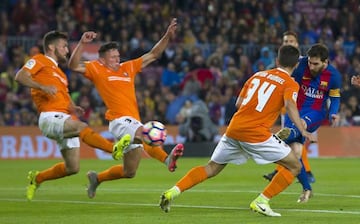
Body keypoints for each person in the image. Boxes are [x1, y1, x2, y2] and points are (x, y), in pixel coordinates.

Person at [159, 45, 316, 217]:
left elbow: (239, 103)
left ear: (277, 61)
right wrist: (302, 130)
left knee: (211, 168)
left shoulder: (258, 75)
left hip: (234, 128)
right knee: (294, 165)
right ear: (295, 65)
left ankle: (172, 192)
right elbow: (290, 105)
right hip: (255, 134)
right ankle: (262, 201)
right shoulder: (290, 83)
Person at [68, 18, 184, 199]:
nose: (117, 59)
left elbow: (153, 54)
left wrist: (167, 36)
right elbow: (73, 65)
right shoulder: (96, 68)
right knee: (144, 132)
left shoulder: (127, 67)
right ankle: (166, 159)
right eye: (113, 57)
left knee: (129, 171)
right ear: (102, 59)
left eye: (118, 55)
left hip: (132, 120)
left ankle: (96, 178)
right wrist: (82, 43)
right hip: (118, 120)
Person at [14, 31, 118, 201]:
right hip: (49, 117)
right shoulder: (40, 59)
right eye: (63, 46)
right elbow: (20, 76)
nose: (66, 50)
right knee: (81, 127)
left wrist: (72, 106)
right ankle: (112, 149)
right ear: (51, 47)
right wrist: (41, 86)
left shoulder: (60, 74)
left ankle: (37, 178)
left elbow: (63, 93)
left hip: (64, 116)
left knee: (73, 167)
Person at [268, 43, 341, 203]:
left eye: (315, 63)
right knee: (295, 153)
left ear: (325, 62)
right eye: (309, 62)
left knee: (300, 124)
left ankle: (279, 139)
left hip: (315, 112)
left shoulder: (334, 76)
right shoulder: (300, 65)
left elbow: (334, 97)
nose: (311, 66)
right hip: (293, 110)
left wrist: (334, 112)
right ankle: (307, 188)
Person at [264, 31, 317, 183]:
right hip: (284, 106)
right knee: (291, 139)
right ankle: (298, 171)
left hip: (301, 106)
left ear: (297, 44)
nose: (288, 43)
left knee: (294, 138)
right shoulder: (279, 64)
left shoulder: (306, 64)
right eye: (285, 41)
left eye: (291, 41)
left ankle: (303, 171)